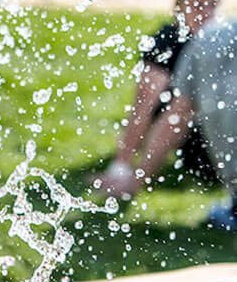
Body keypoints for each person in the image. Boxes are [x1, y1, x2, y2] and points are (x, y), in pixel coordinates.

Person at [94, 18, 237, 231]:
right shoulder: (195, 40)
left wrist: (134, 180)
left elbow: (177, 115)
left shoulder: (210, 39)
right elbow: (173, 114)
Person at [94, 0, 225, 198]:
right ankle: (132, 174)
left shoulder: (222, 42)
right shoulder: (167, 43)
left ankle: (136, 178)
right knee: (183, 103)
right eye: (197, 4)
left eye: (212, 4)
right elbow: (143, 105)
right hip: (196, 140)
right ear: (180, 5)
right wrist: (120, 166)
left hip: (221, 138)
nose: (205, 12)